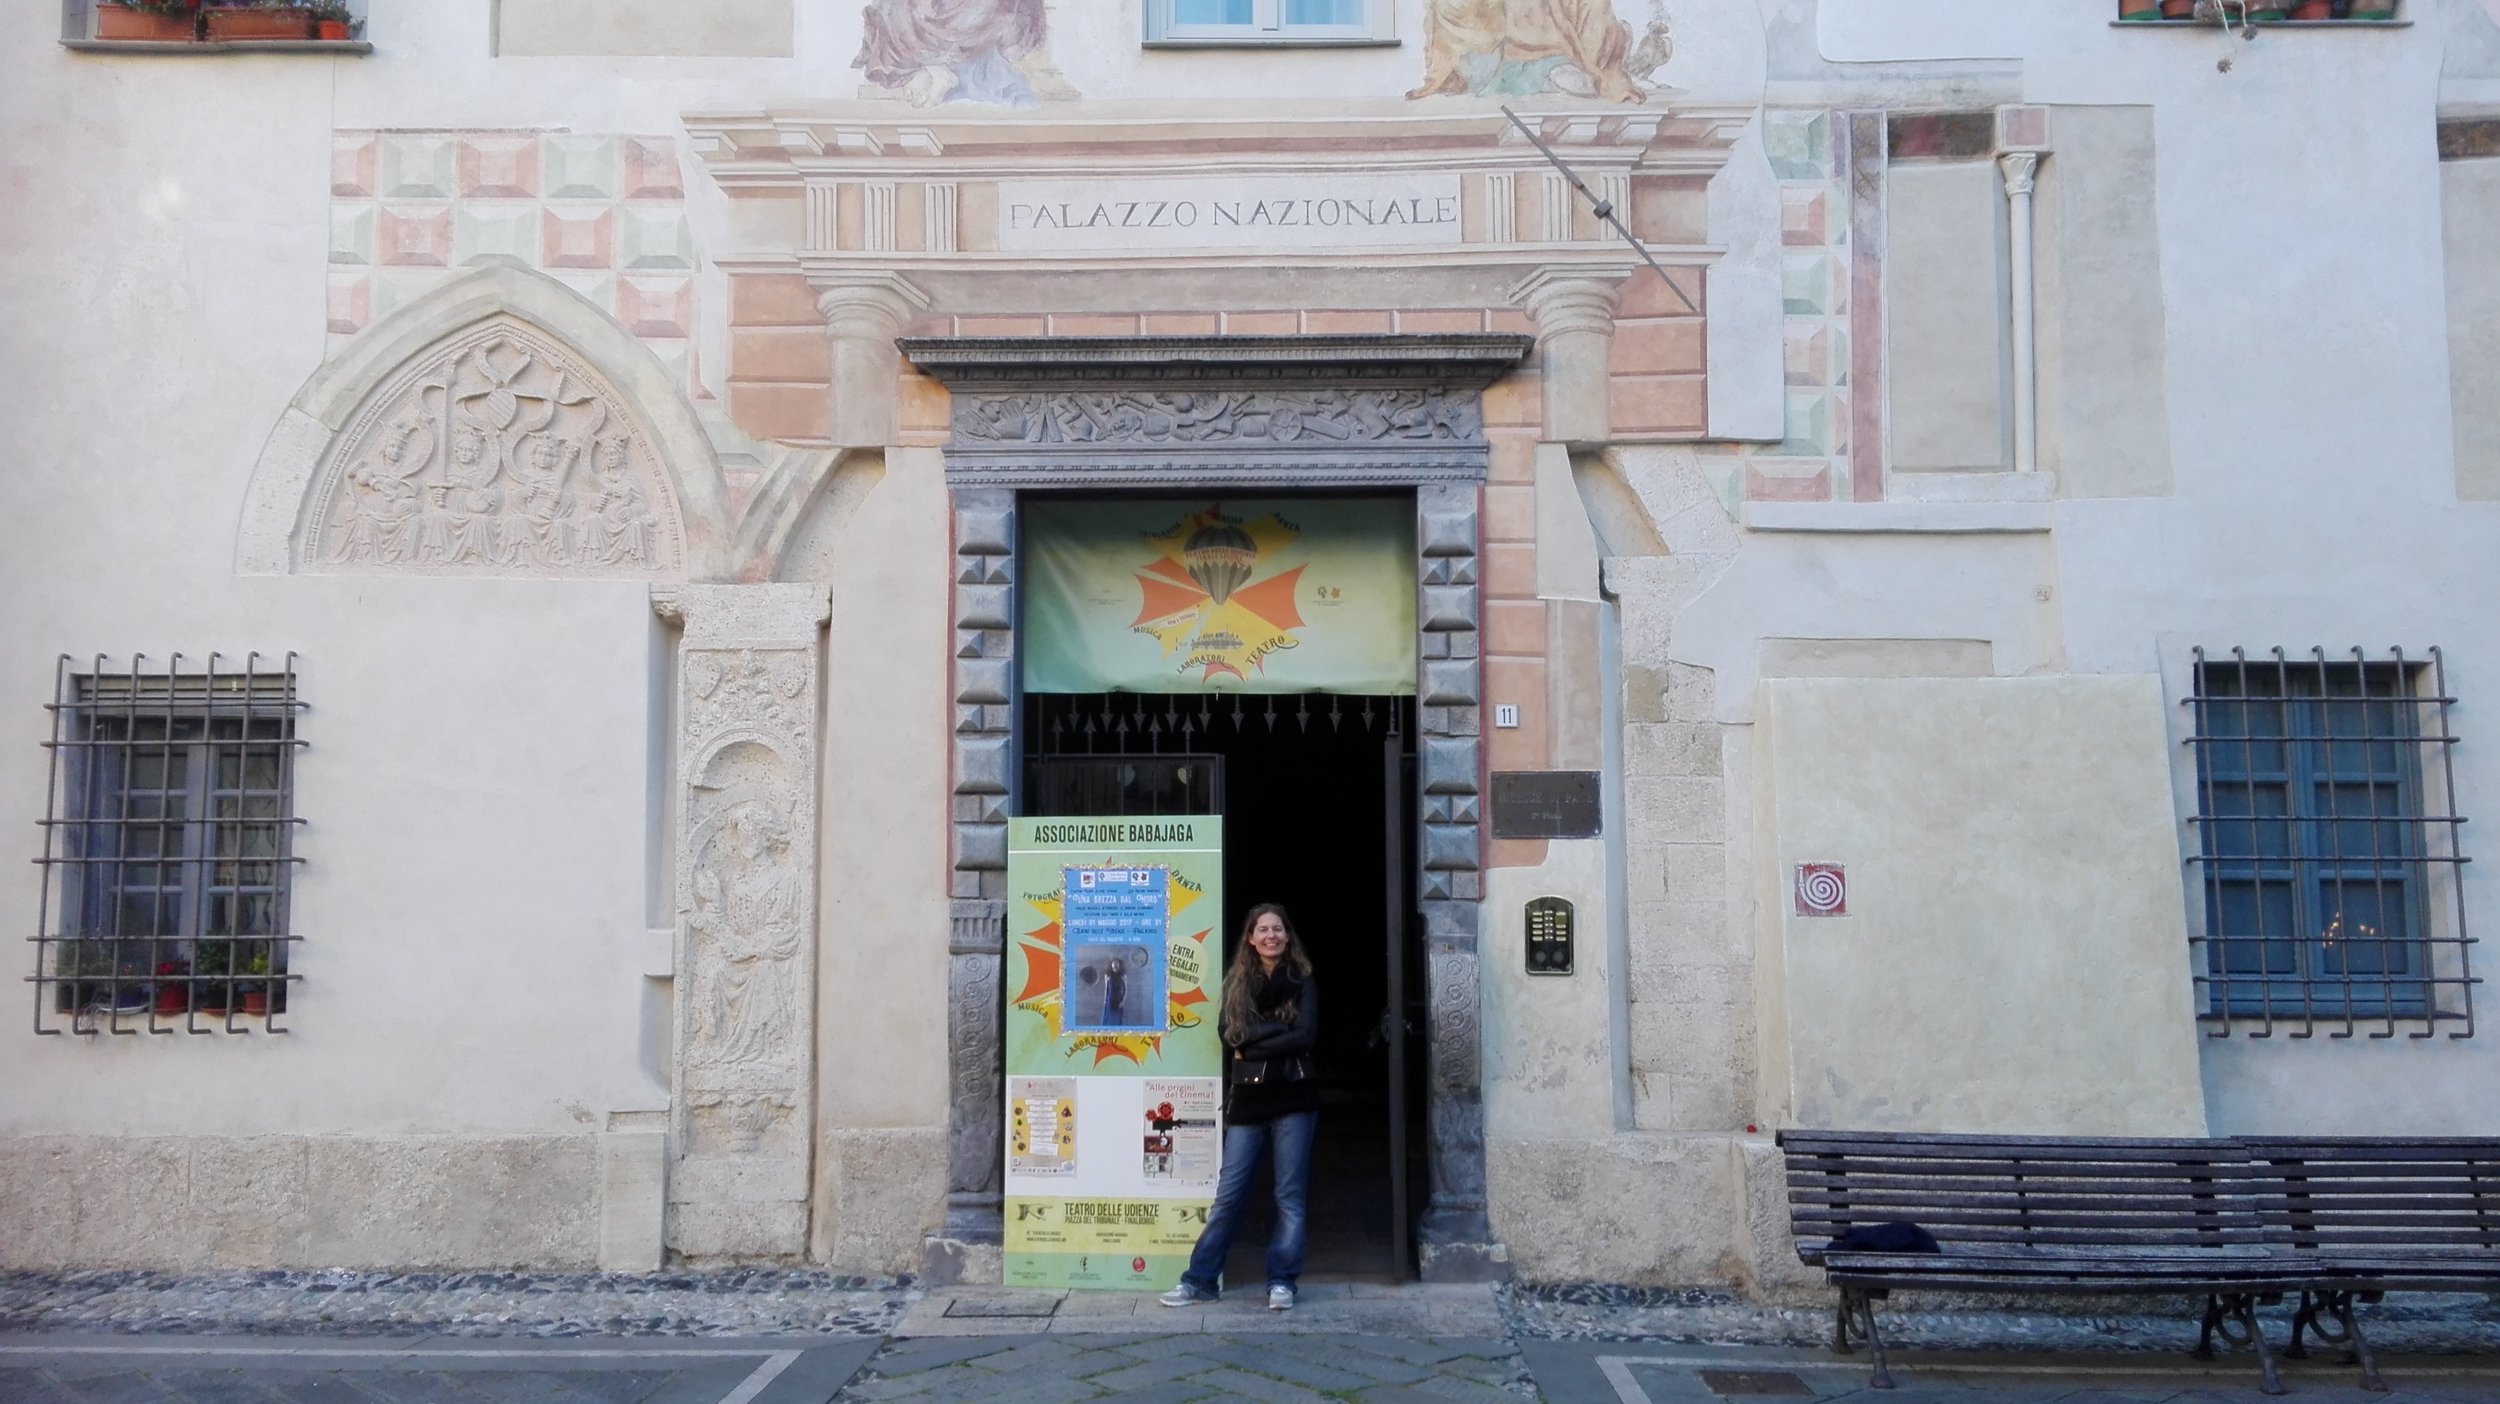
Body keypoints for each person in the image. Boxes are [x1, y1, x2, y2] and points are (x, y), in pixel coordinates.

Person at [1160, 903, 1318, 1312]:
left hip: (1295, 1098)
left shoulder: (1303, 979)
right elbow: (1230, 1034)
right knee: (1228, 1197)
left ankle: (1282, 1281)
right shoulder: (1238, 981)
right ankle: (1199, 1280)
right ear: (1250, 938)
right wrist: (1272, 1032)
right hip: (1248, 1102)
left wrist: (1253, 1044)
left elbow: (1305, 1037)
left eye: (1277, 929)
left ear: (1287, 937)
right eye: (1262, 929)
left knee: (1289, 1196)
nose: (1271, 935)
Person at [1101, 956, 1128, 1027]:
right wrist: (1105, 1001)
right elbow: (1106, 989)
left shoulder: (1123, 976)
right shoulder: (1107, 976)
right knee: (1108, 1019)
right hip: (1110, 999)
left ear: (1119, 966)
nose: (1115, 968)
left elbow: (1125, 989)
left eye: (1116, 966)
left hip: (1119, 1000)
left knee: (1118, 1020)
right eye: (1113, 967)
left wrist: (1123, 1001)